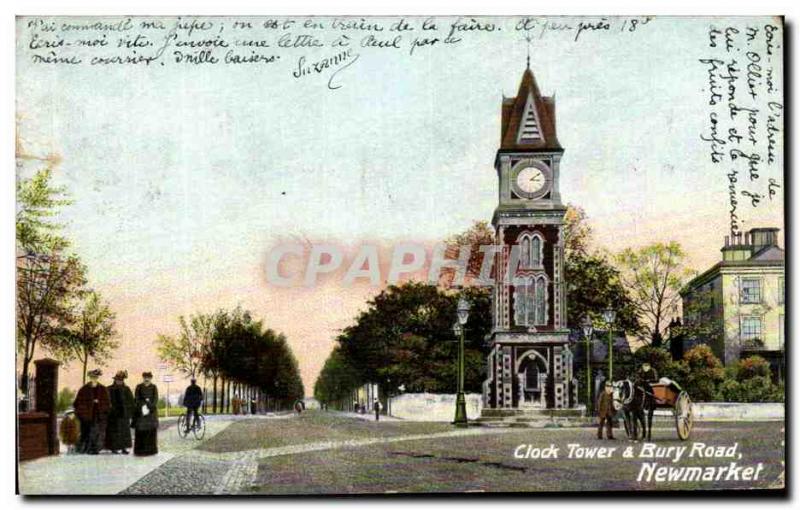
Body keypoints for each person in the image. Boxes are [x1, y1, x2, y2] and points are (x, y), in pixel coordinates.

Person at [73, 369, 111, 454]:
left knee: (97, 432)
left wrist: (99, 403)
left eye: (95, 377)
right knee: (86, 431)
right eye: (92, 377)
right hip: (87, 415)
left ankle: (95, 449)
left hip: (98, 414)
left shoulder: (103, 389)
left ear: (98, 378)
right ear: (90, 378)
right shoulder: (84, 389)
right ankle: (85, 448)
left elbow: (107, 402)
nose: (94, 379)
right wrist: (88, 404)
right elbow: (77, 402)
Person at [105, 370, 135, 454]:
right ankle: (113, 448)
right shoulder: (109, 389)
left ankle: (123, 448)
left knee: (124, 432)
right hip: (113, 415)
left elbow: (131, 401)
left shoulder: (127, 389)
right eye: (118, 380)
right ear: (115, 380)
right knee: (114, 432)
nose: (119, 381)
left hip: (124, 414)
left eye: (121, 380)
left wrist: (130, 412)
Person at [133, 372, 159, 456]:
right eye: (145, 377)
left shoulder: (154, 387)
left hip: (151, 413)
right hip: (141, 413)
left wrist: (149, 406)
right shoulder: (139, 387)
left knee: (151, 431)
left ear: (151, 378)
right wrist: (143, 406)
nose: (146, 379)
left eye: (148, 378)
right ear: (143, 378)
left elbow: (155, 399)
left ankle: (151, 451)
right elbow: (136, 398)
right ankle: (140, 451)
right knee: (141, 431)